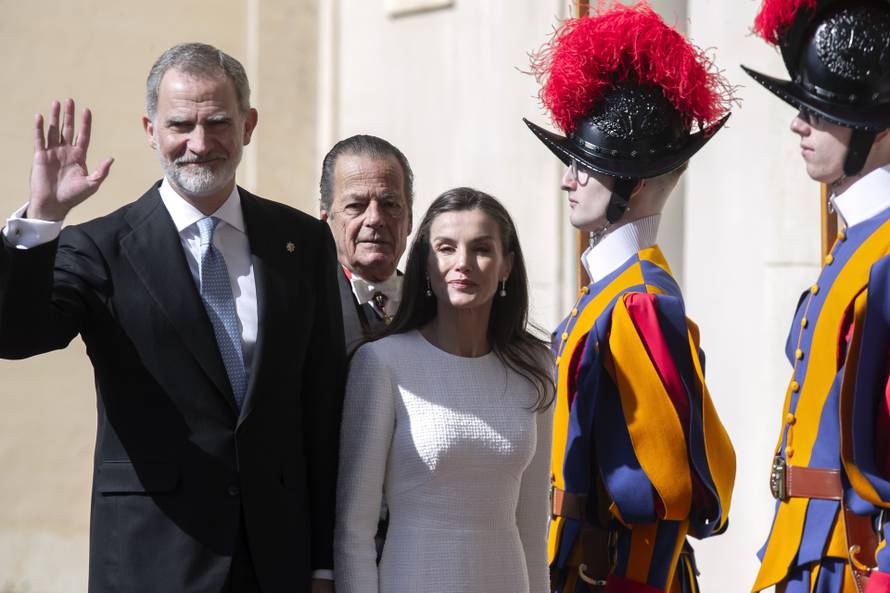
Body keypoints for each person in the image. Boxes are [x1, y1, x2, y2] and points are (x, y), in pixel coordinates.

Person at [0, 43, 344, 593]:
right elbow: (16, 336)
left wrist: (323, 564)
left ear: (248, 125)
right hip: (153, 559)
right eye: (181, 124)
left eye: (218, 123)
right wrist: (43, 220)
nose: (199, 144)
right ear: (151, 130)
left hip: (276, 560)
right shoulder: (101, 247)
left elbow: (322, 408)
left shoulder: (300, 242)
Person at [522, 3, 737, 591]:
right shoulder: (609, 293)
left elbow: (662, 497)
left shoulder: (638, 301)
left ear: (633, 182)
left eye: (584, 166)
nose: (567, 179)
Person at [334, 187, 554, 593]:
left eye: (481, 249)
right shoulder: (382, 362)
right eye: (446, 248)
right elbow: (354, 532)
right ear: (426, 263)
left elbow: (533, 528)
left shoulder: (535, 367)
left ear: (506, 265)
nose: (462, 263)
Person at [742, 1, 890, 591]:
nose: (798, 125)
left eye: (819, 111)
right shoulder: (856, 243)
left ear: (876, 126)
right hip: (807, 555)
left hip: (855, 563)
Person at [319, 135, 413, 352]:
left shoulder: (434, 305)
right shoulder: (306, 304)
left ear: (409, 219)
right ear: (325, 218)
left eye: (390, 204)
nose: (375, 219)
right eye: (356, 205)